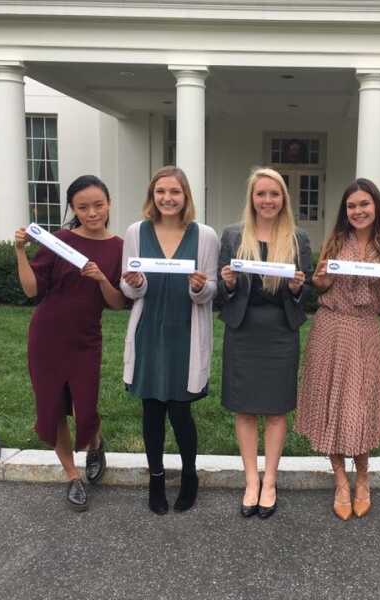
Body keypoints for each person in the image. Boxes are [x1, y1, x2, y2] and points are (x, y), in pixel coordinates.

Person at [14, 175, 125, 511]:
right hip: (46, 337)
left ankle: (95, 442)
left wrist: (101, 278)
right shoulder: (60, 240)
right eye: (83, 207)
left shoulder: (119, 246)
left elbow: (118, 302)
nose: (92, 213)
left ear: (108, 204)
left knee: (85, 406)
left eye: (98, 205)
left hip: (85, 339)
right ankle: (73, 476)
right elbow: (32, 290)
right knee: (55, 408)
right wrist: (20, 251)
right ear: (73, 209)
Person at [295, 178, 380, 520]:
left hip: (365, 330)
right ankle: (341, 480)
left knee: (361, 404)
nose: (358, 211)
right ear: (345, 211)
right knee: (332, 404)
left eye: (364, 204)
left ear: (376, 207)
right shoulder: (334, 242)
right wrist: (321, 280)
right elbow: (320, 285)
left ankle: (363, 477)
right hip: (331, 327)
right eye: (352, 206)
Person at [121, 166, 218, 515]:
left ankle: (190, 476)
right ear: (152, 195)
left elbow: (211, 289)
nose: (167, 198)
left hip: (185, 331)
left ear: (186, 196)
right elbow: (130, 286)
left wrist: (199, 287)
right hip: (149, 330)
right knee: (151, 410)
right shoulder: (136, 231)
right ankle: (157, 479)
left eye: (175, 192)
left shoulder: (205, 235)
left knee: (180, 411)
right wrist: (133, 282)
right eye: (161, 191)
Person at [218, 167, 312, 519]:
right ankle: (250, 481)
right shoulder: (232, 235)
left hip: (280, 331)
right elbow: (222, 291)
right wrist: (226, 283)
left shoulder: (297, 238)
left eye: (274, 194)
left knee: (275, 409)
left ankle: (270, 480)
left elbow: (308, 289)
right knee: (244, 408)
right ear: (252, 198)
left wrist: (298, 288)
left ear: (283, 198)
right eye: (261, 194)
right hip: (243, 330)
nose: (268, 200)